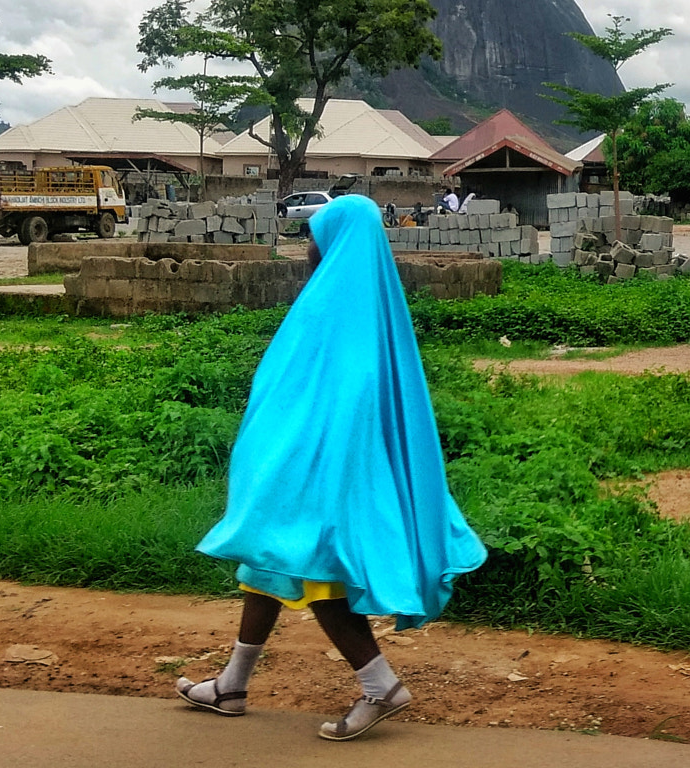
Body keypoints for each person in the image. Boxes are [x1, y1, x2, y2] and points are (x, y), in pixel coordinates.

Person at [178, 195, 487, 740]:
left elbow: (333, 405)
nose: (306, 247)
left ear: (335, 240)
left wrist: (286, 468)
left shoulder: (335, 310)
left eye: (314, 235)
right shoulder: (362, 306)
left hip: (320, 476)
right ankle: (232, 685)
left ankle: (381, 685)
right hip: (313, 469)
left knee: (318, 574)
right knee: (267, 565)